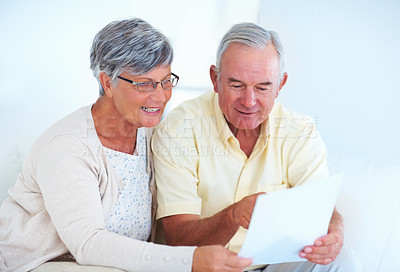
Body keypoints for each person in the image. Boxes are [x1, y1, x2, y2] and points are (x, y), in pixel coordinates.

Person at [0, 18, 252, 272]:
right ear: (108, 83)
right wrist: (188, 260)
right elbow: (88, 243)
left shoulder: (152, 136)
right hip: (39, 264)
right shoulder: (68, 146)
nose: (161, 96)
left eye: (166, 81)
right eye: (145, 84)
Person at [152, 22, 360, 271]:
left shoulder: (300, 131)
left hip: (272, 264)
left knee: (342, 261)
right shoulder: (178, 129)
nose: (249, 101)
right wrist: (232, 217)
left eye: (263, 87)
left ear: (280, 85)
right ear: (215, 79)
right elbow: (179, 242)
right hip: (205, 266)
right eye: (236, 85)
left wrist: (335, 232)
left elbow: (322, 208)